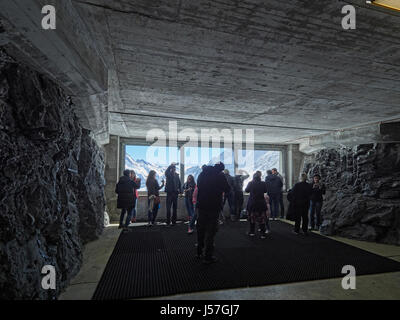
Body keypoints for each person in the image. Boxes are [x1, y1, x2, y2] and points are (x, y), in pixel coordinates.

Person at [196, 162, 230, 264]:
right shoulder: (220, 176)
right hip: (214, 206)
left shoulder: (202, 173)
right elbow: (227, 189)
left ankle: (199, 252)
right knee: (211, 231)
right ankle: (208, 256)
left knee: (200, 229)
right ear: (221, 169)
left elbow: (199, 185)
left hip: (201, 204)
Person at [245, 172, 268, 239]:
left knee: (252, 218)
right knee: (262, 219)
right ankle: (262, 234)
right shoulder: (263, 183)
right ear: (260, 177)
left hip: (253, 203)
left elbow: (246, 190)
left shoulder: (251, 183)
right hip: (261, 203)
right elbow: (265, 191)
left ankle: (252, 232)